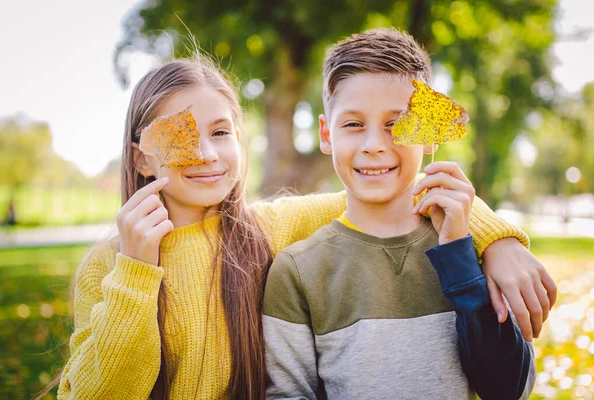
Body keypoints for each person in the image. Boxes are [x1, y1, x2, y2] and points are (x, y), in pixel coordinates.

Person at [55, 53, 551, 399]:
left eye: (221, 132)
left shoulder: (263, 230)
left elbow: (395, 189)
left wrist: (499, 240)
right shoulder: (109, 265)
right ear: (141, 157)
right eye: (179, 135)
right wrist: (137, 273)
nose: (206, 154)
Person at [263, 28, 537, 399]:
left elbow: (509, 389)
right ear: (327, 135)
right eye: (354, 124)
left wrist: (460, 259)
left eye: (395, 124)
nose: (375, 145)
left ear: (429, 132)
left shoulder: (477, 253)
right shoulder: (296, 272)